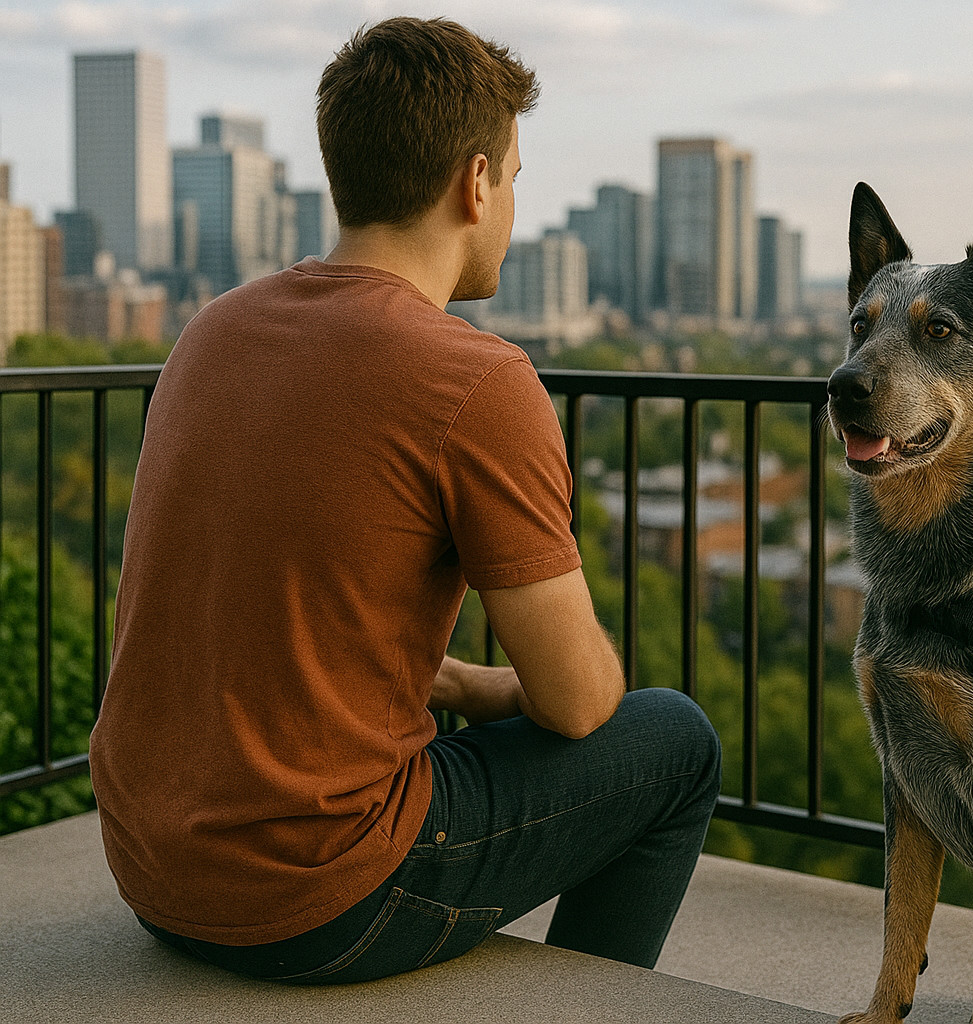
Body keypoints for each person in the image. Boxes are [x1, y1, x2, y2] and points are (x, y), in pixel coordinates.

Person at [88, 16, 721, 984]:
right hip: (317, 898)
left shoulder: (209, 334)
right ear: (474, 184)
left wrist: (461, 685)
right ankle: (594, 1006)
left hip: (151, 868)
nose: (512, 203)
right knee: (675, 739)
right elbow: (580, 701)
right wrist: (512, 691)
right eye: (514, 176)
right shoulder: (475, 381)